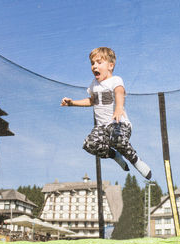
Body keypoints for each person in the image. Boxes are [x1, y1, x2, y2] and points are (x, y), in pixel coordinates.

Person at [61, 47, 151, 179]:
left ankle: (135, 160)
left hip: (119, 123)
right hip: (101, 127)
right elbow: (92, 100)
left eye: (98, 62)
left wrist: (119, 107)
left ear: (110, 65)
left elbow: (119, 92)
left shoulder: (116, 80)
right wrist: (72, 102)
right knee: (90, 144)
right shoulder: (93, 84)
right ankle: (115, 155)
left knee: (116, 139)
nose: (94, 66)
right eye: (92, 63)